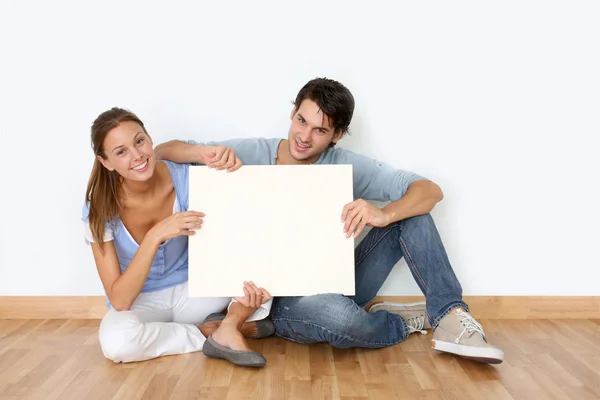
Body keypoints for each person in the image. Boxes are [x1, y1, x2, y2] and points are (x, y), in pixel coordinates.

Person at [154, 77, 505, 364]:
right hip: (281, 299)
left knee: (415, 216)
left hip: (336, 277)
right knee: (340, 318)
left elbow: (429, 190)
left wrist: (382, 213)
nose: (304, 137)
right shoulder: (252, 152)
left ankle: (450, 317)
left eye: (320, 130)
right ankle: (398, 322)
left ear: (336, 135)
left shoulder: (344, 163)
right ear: (292, 113)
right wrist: (201, 153)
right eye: (301, 121)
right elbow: (162, 153)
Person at [81, 107, 275, 368]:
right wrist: (155, 235)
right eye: (121, 151)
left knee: (266, 264)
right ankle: (210, 332)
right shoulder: (99, 208)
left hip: (195, 291)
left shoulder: (186, 178)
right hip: (142, 303)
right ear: (106, 162)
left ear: (149, 139)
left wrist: (225, 164)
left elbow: (243, 220)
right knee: (116, 341)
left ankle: (229, 324)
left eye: (139, 141)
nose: (137, 155)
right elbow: (120, 300)